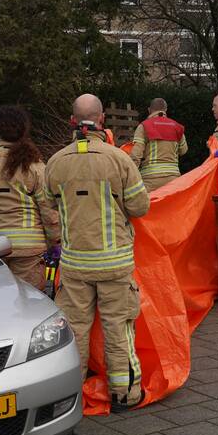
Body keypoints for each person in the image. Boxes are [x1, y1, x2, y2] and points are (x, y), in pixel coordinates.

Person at [44, 94, 150, 412]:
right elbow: (140, 206)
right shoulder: (119, 159)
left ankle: (69, 396)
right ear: (101, 120)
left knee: (75, 328)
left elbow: (50, 209)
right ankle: (125, 395)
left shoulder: (56, 162)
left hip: (75, 264)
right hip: (115, 263)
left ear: (72, 121)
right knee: (118, 326)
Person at [0, 106, 59, 290]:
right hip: (29, 250)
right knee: (30, 304)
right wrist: (55, 242)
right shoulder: (35, 165)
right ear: (24, 130)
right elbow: (49, 211)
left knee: (0, 304)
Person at [130, 98, 189, 192]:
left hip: (151, 180)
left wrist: (129, 177)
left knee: (151, 206)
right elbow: (183, 150)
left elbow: (136, 155)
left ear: (149, 110)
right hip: (173, 179)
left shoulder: (144, 126)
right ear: (165, 110)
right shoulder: (177, 126)